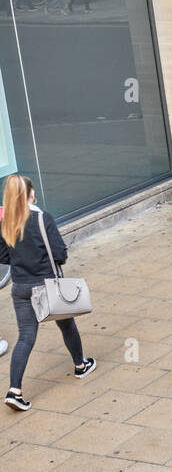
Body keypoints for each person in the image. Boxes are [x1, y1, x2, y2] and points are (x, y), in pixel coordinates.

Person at [0, 173, 95, 411]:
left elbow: (3, 256)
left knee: (25, 338)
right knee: (66, 324)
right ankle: (80, 365)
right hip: (46, 286)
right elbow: (60, 254)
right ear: (31, 194)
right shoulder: (42, 219)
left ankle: (15, 391)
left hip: (20, 287)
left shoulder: (6, 223)